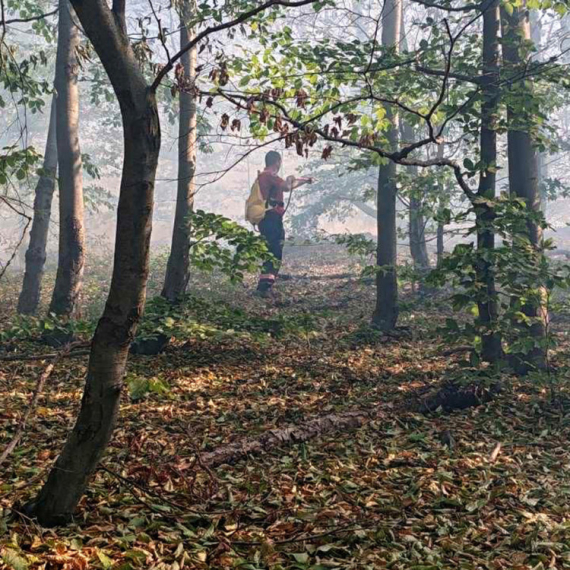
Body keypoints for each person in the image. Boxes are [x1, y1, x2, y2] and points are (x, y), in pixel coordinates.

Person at [256, 151, 312, 296]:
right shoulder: (270, 175)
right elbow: (287, 186)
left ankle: (265, 285)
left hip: (266, 219)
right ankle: (264, 288)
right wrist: (289, 179)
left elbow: (287, 187)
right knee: (274, 252)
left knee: (272, 251)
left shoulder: (265, 176)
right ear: (277, 162)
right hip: (271, 219)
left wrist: (304, 181)